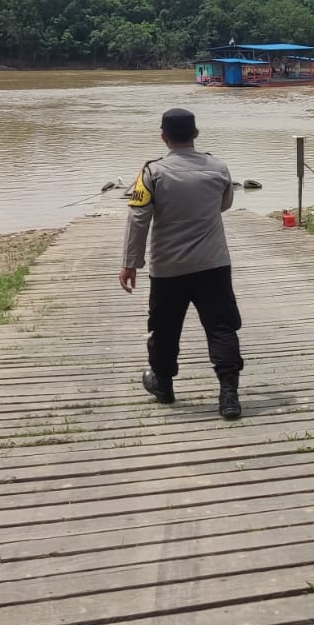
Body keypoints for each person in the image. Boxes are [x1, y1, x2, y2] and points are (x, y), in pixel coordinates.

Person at [119, 107, 244, 419]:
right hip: (213, 265)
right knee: (222, 328)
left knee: (164, 330)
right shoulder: (219, 168)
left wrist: (130, 263)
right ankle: (229, 394)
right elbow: (224, 205)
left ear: (163, 136)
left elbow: (138, 219)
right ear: (196, 135)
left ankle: (163, 385)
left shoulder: (151, 173)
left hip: (168, 269)